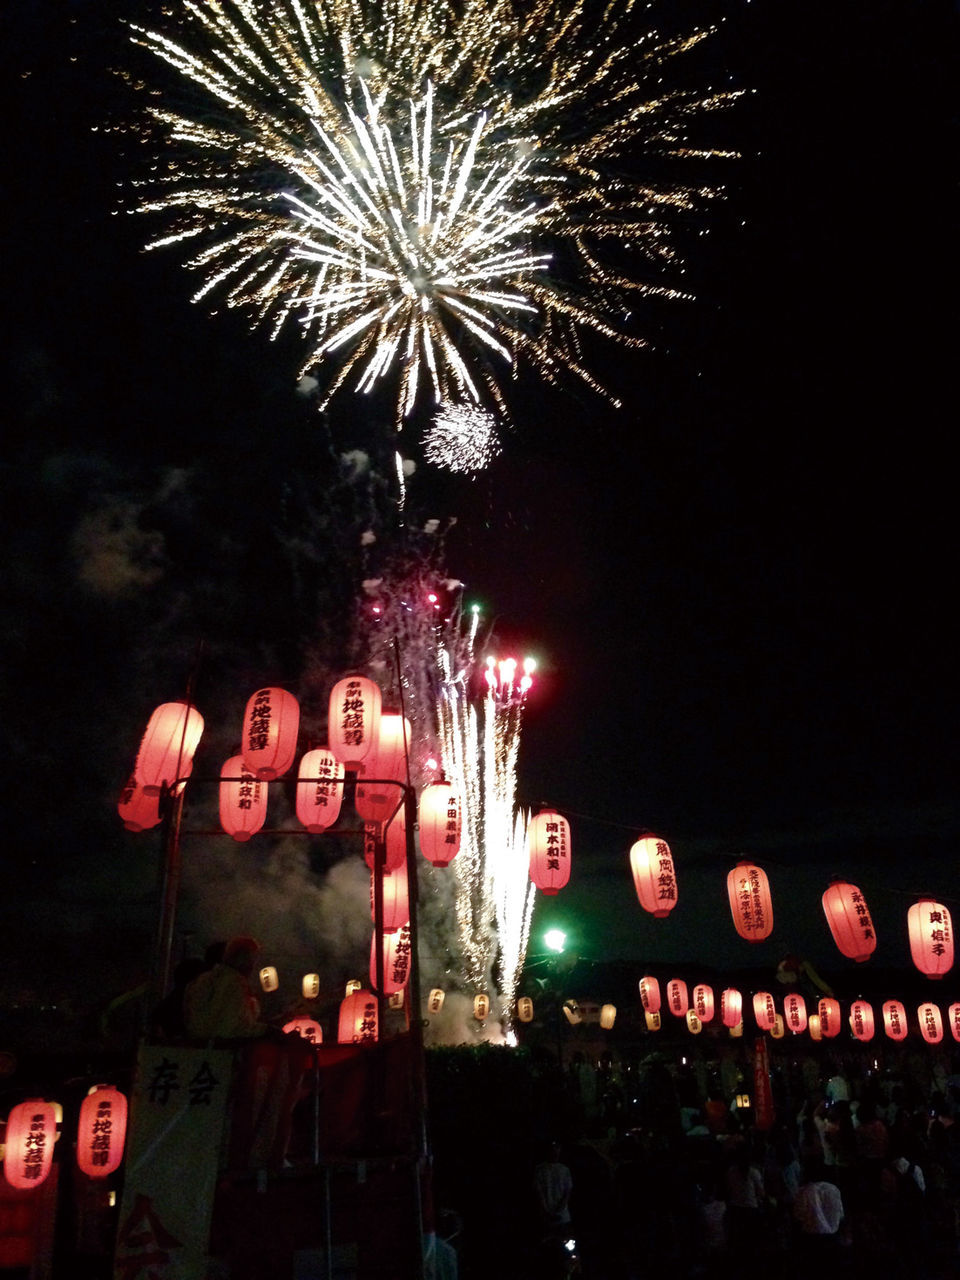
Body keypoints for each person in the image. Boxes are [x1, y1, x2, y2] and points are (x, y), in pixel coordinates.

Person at [183, 936, 315, 1171]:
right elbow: (232, 1028)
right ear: (247, 962)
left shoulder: (202, 981)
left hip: (195, 1060)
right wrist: (270, 1032)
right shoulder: (233, 983)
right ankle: (245, 1162)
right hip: (226, 1062)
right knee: (236, 1118)